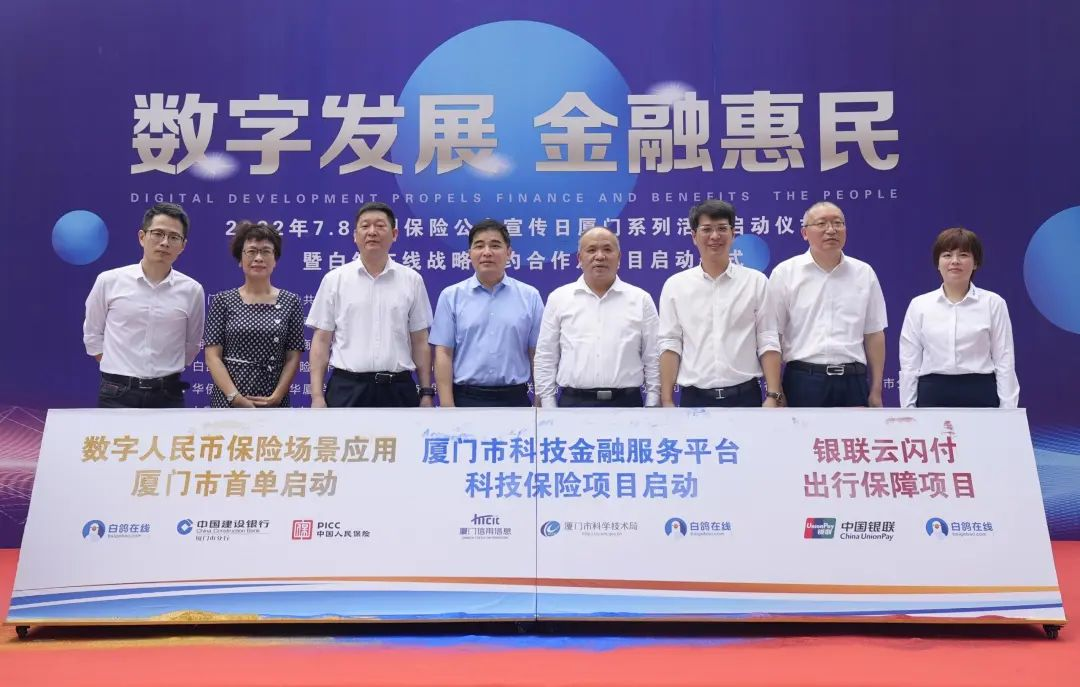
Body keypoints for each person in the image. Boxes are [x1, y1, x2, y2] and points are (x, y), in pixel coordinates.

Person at [306, 202, 434, 408]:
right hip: (347, 389)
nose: (372, 232)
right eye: (365, 226)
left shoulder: (412, 280)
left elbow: (420, 341)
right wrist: (316, 396)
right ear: (355, 235)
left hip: (398, 389)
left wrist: (426, 392)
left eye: (380, 226)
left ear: (394, 234)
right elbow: (321, 341)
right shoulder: (335, 280)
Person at [658, 200, 783, 408]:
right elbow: (670, 344)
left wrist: (773, 395)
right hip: (694, 398)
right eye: (706, 229)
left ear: (733, 234)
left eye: (722, 229)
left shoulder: (755, 282)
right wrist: (667, 400)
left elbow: (768, 339)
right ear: (694, 236)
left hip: (745, 396)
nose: (715, 236)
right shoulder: (675, 285)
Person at [83, 203, 205, 408]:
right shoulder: (109, 281)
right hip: (116, 393)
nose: (165, 243)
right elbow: (93, 333)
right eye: (158, 234)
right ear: (142, 237)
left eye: (174, 237)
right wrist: (118, 367)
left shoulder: (192, 290)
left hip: (168, 394)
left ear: (183, 245)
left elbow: (192, 343)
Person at [766, 202, 887, 407]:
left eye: (838, 223)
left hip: (853, 380)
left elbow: (874, 333)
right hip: (804, 379)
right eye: (821, 224)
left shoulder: (864, 273)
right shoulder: (785, 273)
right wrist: (776, 391)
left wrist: (876, 390)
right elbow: (773, 334)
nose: (831, 230)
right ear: (805, 233)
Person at [534, 227, 660, 408]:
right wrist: (548, 404)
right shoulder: (559, 298)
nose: (599, 256)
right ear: (579, 258)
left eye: (607, 249)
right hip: (573, 404)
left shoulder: (641, 300)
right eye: (591, 250)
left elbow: (653, 356)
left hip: (627, 404)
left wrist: (653, 403)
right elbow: (546, 355)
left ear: (619, 257)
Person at [898, 227, 1018, 408]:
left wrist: (1008, 410)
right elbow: (909, 363)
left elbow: (1004, 360)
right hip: (932, 393)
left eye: (963, 255)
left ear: (975, 263)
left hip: (980, 391)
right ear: (938, 263)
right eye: (947, 255)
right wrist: (908, 409)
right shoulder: (919, 305)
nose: (955, 261)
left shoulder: (993, 303)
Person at [430, 219, 543, 407]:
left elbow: (536, 353)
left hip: (514, 399)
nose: (487, 252)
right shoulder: (451, 296)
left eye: (495, 245)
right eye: (479, 246)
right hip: (466, 399)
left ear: (509, 253)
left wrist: (540, 400)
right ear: (469, 254)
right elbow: (443, 353)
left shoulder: (530, 296)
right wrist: (447, 406)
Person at [204, 221, 305, 408]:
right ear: (240, 259)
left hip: (273, 400)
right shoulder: (222, 300)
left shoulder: (291, 301)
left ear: (275, 260)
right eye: (251, 251)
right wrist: (235, 397)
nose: (258, 258)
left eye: (266, 251)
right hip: (229, 400)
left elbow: (293, 357)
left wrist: (277, 396)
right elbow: (212, 356)